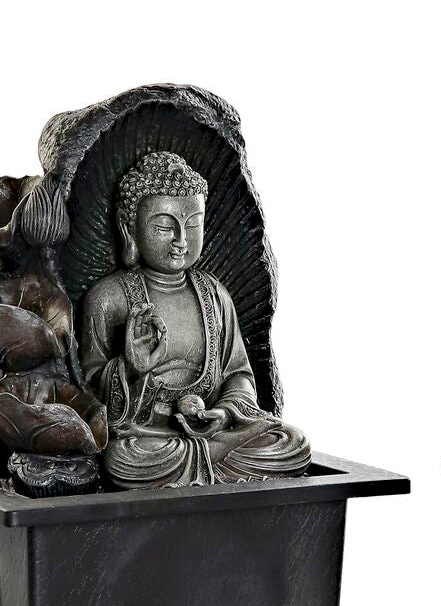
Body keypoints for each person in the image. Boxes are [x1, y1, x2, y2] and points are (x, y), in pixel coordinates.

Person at [80, 151, 311, 488]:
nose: (181, 241)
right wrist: (130, 368)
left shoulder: (215, 295)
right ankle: (211, 465)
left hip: (212, 430)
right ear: (129, 227)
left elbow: (238, 375)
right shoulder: (109, 297)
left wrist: (225, 413)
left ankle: (202, 462)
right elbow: (88, 394)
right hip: (147, 435)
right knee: (122, 459)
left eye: (192, 225)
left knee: (292, 443)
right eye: (164, 226)